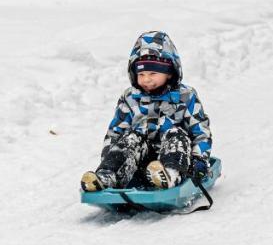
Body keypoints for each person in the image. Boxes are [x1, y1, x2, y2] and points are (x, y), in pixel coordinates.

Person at [81, 31, 213, 192]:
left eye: (153, 73)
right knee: (131, 138)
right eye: (141, 74)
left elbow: (201, 132)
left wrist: (199, 160)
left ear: (170, 72)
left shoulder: (185, 97)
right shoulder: (130, 98)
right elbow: (115, 132)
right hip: (137, 165)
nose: (146, 79)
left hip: (176, 160)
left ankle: (169, 175)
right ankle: (107, 177)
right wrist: (109, 160)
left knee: (176, 134)